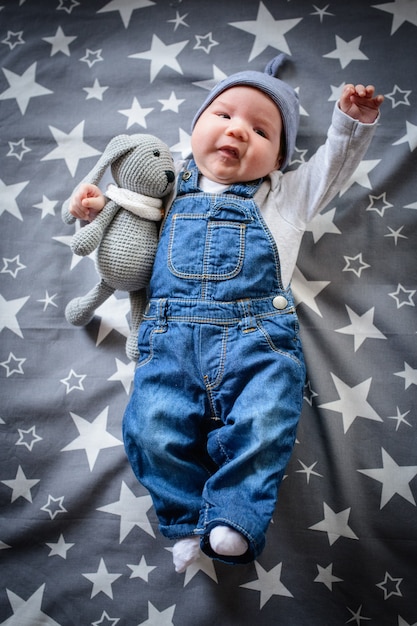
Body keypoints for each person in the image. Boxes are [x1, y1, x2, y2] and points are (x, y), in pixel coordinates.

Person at [68, 55, 384, 572]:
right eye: (223, 116)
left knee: (265, 423)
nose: (238, 131)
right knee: (149, 430)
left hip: (256, 339)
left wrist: (352, 121)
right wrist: (95, 208)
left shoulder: (284, 195)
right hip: (169, 337)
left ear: (279, 157)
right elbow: (128, 225)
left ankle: (234, 515)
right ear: (195, 127)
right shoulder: (167, 185)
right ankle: (187, 517)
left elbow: (333, 164)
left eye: (261, 130)